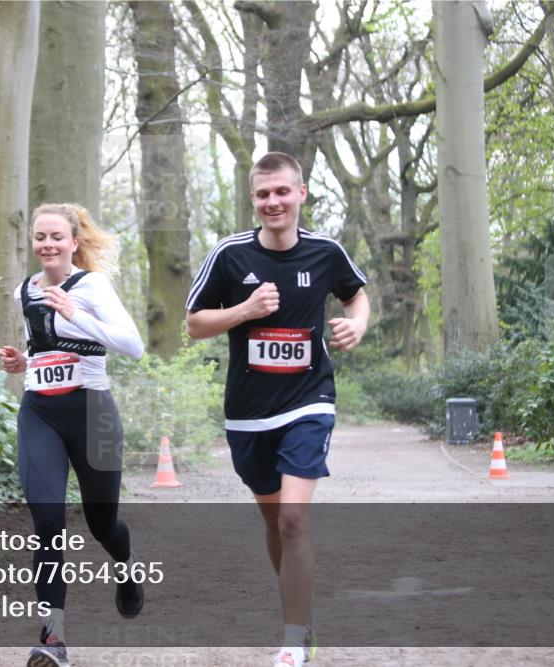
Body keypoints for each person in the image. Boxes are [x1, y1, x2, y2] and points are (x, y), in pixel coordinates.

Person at [185, 152, 369, 667]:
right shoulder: (229, 255)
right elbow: (194, 324)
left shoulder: (326, 252)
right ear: (253, 200)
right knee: (274, 521)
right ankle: (300, 610)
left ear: (301, 194)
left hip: (309, 401)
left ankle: (292, 637)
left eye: (282, 192)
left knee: (292, 519)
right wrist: (245, 311)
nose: (273, 202)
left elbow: (357, 297)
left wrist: (359, 324)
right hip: (248, 411)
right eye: (263, 194)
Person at [0, 203, 144, 667]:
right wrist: (23, 361)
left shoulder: (92, 285)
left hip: (93, 413)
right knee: (47, 522)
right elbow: (42, 345)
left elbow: (133, 347)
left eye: (57, 237)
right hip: (39, 412)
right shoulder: (27, 289)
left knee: (103, 523)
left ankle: (125, 566)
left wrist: (76, 314)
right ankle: (53, 637)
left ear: (74, 242)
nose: (47, 245)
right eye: (41, 237)